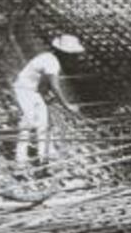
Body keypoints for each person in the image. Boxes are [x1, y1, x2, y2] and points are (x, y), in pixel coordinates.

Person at [13, 34, 84, 169]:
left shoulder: (50, 59)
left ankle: (44, 158)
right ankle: (20, 161)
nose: (74, 58)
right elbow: (55, 86)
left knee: (43, 124)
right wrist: (67, 105)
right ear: (63, 54)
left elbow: (42, 82)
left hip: (34, 91)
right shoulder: (52, 62)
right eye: (71, 55)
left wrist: (45, 96)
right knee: (27, 123)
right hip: (24, 90)